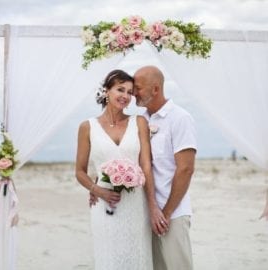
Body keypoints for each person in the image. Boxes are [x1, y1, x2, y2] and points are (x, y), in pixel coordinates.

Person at [75, 69, 166, 270]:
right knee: (109, 257)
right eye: (120, 90)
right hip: (104, 207)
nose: (125, 96)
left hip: (135, 204)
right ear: (106, 91)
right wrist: (96, 190)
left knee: (137, 257)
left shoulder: (139, 122)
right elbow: (80, 171)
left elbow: (146, 167)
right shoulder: (87, 127)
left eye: (130, 92)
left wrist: (152, 206)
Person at [133, 65, 197, 270]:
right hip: (147, 212)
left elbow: (186, 169)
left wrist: (166, 212)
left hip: (173, 214)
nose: (134, 93)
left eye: (138, 88)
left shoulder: (180, 118)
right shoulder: (142, 120)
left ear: (155, 89)